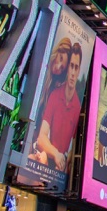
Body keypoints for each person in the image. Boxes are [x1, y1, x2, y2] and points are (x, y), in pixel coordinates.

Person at [33, 42, 83, 171]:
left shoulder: (78, 107)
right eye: (71, 66)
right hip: (43, 162)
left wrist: (66, 161)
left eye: (76, 67)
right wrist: (56, 154)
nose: (72, 72)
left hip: (60, 173)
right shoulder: (55, 95)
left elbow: (75, 147)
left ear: (79, 70)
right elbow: (41, 138)